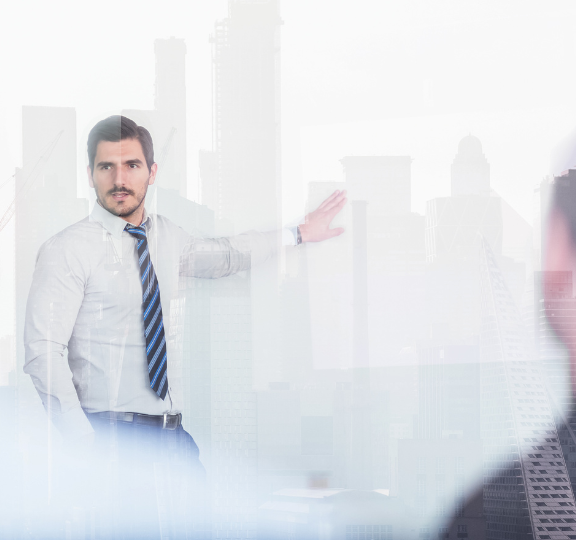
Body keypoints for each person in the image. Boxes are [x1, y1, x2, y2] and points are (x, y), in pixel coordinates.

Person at [23, 115, 347, 538]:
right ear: (90, 174)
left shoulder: (166, 239)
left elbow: (228, 254)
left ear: (151, 172)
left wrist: (298, 233)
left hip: (171, 437)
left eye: (132, 165)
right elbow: (42, 351)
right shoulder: (67, 250)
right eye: (107, 167)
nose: (119, 179)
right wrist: (85, 446)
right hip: (111, 438)